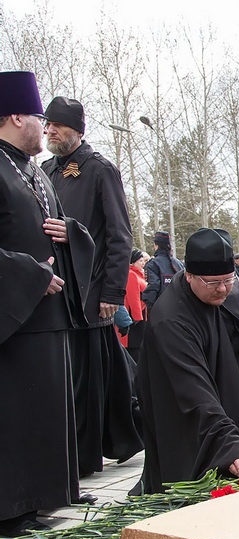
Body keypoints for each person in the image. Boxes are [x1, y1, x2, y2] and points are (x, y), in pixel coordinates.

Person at [0, 71, 95, 536]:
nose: (44, 126)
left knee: (49, 408)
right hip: (13, 314)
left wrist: (69, 232)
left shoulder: (33, 171)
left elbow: (62, 227)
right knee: (16, 409)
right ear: (17, 116)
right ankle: (12, 506)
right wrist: (31, 274)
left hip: (48, 313)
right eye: (38, 117)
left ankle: (44, 495)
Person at [135, 228, 239, 494]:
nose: (222, 290)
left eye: (228, 280)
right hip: (183, 402)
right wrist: (226, 441)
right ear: (190, 275)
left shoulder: (223, 293)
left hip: (223, 385)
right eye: (213, 283)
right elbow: (191, 387)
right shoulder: (171, 319)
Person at [41, 96, 140, 478]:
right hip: (58, 292)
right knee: (84, 377)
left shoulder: (99, 170)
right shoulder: (45, 170)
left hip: (93, 293)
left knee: (89, 381)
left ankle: (83, 457)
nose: (50, 130)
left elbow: (118, 235)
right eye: (47, 123)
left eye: (58, 125)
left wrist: (112, 294)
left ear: (78, 131)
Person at [142, 230, 183, 310]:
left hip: (160, 308)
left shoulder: (153, 264)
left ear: (156, 245)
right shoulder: (178, 264)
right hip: (179, 307)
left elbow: (153, 285)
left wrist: (150, 306)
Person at [121, 248, 149, 360]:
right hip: (135, 316)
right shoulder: (131, 274)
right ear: (133, 261)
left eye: (143, 261)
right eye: (140, 260)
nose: (143, 263)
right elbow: (133, 298)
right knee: (134, 345)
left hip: (141, 313)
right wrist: (138, 317)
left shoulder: (138, 275)